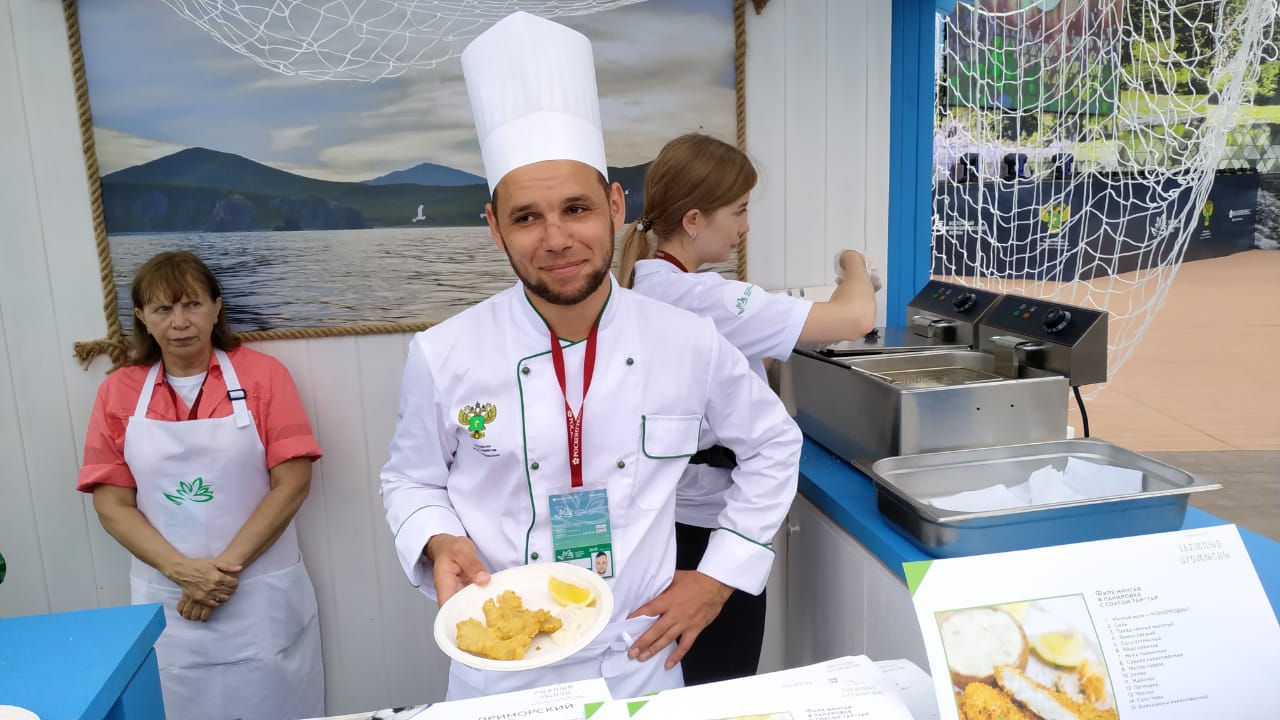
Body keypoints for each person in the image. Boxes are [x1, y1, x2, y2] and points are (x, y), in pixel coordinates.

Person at [379, 11, 801, 702]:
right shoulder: (443, 353)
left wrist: (720, 576)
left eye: (575, 209)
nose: (555, 238)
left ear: (613, 205)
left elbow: (774, 446)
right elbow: (410, 481)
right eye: (525, 216)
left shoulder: (684, 341)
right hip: (495, 663)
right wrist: (437, 542)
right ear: (494, 227)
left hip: (636, 654)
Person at [618, 133, 881, 685]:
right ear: (693, 220)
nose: (744, 226)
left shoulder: (649, 286)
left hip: (669, 523)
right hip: (704, 532)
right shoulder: (700, 298)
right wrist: (853, 263)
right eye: (738, 211)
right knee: (720, 685)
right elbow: (856, 317)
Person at [78, 251, 325, 720]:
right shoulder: (118, 392)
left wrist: (219, 574)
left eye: (192, 304)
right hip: (169, 596)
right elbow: (112, 504)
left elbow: (292, 483)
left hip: (258, 595)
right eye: (163, 309)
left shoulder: (263, 377)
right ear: (142, 318)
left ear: (216, 307)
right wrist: (183, 573)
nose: (180, 323)